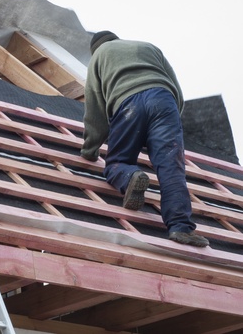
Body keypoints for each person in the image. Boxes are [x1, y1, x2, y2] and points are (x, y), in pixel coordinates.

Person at [81, 31, 209, 248]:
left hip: (128, 104)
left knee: (116, 163)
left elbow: (95, 107)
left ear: (96, 48)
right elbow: (176, 89)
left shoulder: (99, 55)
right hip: (164, 102)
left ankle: (130, 177)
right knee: (171, 167)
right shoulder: (148, 46)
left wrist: (90, 149)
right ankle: (180, 228)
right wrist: (163, 131)